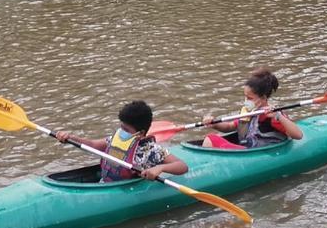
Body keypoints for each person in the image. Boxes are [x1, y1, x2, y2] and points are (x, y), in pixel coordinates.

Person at [54, 100, 188, 182]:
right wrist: (71, 138)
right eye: (121, 127)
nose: (121, 131)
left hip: (126, 188)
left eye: (126, 129)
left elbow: (182, 166)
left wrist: (160, 168)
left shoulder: (152, 150)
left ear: (141, 133)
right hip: (104, 183)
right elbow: (93, 145)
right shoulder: (115, 139)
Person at [201, 68, 304, 149]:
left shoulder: (273, 116)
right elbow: (229, 127)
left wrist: (278, 116)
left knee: (211, 139)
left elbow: (298, 135)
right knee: (212, 137)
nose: (246, 100)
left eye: (249, 98)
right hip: (248, 148)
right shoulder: (248, 112)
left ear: (263, 98)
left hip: (262, 152)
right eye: (245, 96)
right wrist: (214, 123)